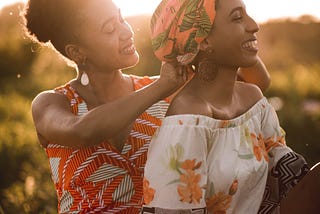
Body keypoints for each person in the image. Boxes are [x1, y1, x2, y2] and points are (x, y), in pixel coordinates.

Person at [23, 0, 270, 213]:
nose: (126, 31)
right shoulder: (52, 103)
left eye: (121, 18)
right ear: (77, 52)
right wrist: (160, 87)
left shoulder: (171, 90)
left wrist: (210, 28)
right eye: (109, 28)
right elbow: (81, 131)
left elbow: (255, 83)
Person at [142, 0, 309, 213]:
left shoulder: (254, 100)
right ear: (203, 41)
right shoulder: (188, 119)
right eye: (237, 17)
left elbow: (288, 174)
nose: (254, 25)